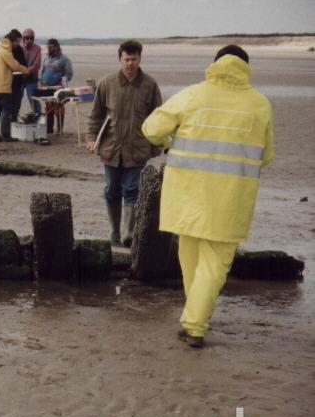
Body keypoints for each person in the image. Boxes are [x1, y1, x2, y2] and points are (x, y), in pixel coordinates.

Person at [142, 45, 273, 348]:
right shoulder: (260, 105)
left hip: (187, 196)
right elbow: (265, 155)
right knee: (214, 264)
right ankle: (196, 325)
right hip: (230, 200)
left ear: (214, 65)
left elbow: (151, 128)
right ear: (246, 68)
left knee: (189, 257)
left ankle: (194, 315)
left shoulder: (194, 95)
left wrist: (168, 141)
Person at [86, 40, 162, 246]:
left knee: (131, 189)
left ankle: (128, 234)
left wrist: (156, 146)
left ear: (139, 59)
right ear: (120, 59)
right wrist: (92, 139)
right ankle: (114, 233)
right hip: (111, 149)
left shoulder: (150, 85)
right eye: (126, 59)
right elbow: (95, 116)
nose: (130, 63)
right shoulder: (106, 83)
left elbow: (159, 119)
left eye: (134, 59)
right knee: (111, 189)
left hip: (137, 149)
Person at [0, 29, 31, 142]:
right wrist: (26, 70)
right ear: (12, 41)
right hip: (4, 86)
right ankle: (6, 135)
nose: (18, 44)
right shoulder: (5, 52)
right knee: (6, 111)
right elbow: (15, 65)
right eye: (17, 41)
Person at [21, 28, 42, 114]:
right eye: (27, 38)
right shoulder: (19, 47)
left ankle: (38, 117)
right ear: (23, 38)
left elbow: (37, 64)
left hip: (32, 78)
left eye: (31, 38)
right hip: (20, 78)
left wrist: (27, 71)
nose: (29, 40)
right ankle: (13, 120)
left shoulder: (37, 48)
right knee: (16, 100)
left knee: (34, 100)